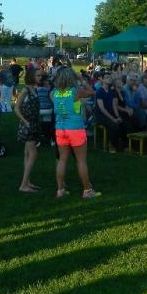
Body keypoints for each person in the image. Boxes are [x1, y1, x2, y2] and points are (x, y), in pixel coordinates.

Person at [51, 67, 99, 199]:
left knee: (62, 160)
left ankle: (60, 190)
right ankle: (87, 190)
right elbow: (92, 92)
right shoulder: (75, 91)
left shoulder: (54, 93)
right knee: (81, 161)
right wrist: (82, 81)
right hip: (75, 128)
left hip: (60, 129)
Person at [14, 68, 42, 193]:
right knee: (33, 153)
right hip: (28, 125)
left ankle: (27, 182)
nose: (40, 78)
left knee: (27, 154)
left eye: (40, 75)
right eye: (37, 75)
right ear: (31, 76)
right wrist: (25, 122)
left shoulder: (34, 89)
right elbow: (16, 108)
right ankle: (23, 185)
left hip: (34, 123)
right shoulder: (25, 90)